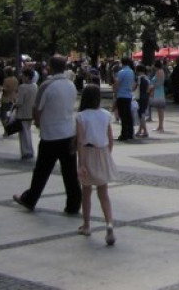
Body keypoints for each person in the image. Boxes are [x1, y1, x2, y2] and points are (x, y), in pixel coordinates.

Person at [13, 55, 82, 214]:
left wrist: (38, 123)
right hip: (68, 133)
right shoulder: (70, 85)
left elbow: (37, 109)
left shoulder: (47, 85)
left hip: (50, 134)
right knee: (70, 172)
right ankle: (73, 204)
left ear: (50, 67)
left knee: (41, 171)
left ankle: (30, 198)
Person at [75, 85, 117, 245]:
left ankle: (86, 225)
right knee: (104, 193)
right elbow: (110, 137)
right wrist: (107, 155)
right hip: (103, 152)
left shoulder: (81, 116)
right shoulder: (105, 115)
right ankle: (109, 223)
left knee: (86, 191)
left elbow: (80, 141)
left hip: (88, 152)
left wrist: (81, 163)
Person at [13, 68, 37, 160]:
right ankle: (30, 150)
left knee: (23, 133)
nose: (21, 77)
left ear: (27, 77)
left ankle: (25, 151)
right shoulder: (35, 86)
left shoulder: (22, 87)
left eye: (23, 75)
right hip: (30, 112)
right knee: (28, 131)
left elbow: (19, 102)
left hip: (23, 113)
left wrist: (15, 104)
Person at [114, 57, 136, 141]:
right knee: (128, 115)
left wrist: (115, 90)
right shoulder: (131, 71)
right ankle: (130, 132)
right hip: (128, 95)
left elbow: (118, 83)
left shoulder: (121, 72)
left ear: (122, 63)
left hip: (121, 95)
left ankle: (124, 134)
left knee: (123, 115)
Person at [150, 60, 167, 132]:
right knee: (159, 110)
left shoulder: (159, 72)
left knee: (160, 110)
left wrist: (152, 87)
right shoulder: (160, 71)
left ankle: (161, 126)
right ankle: (160, 126)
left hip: (158, 92)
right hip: (158, 91)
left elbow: (159, 83)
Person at [134, 64, 150, 138]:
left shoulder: (138, 78)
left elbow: (134, 87)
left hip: (139, 97)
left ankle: (145, 131)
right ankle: (140, 130)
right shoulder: (147, 78)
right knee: (142, 113)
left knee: (141, 114)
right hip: (146, 96)